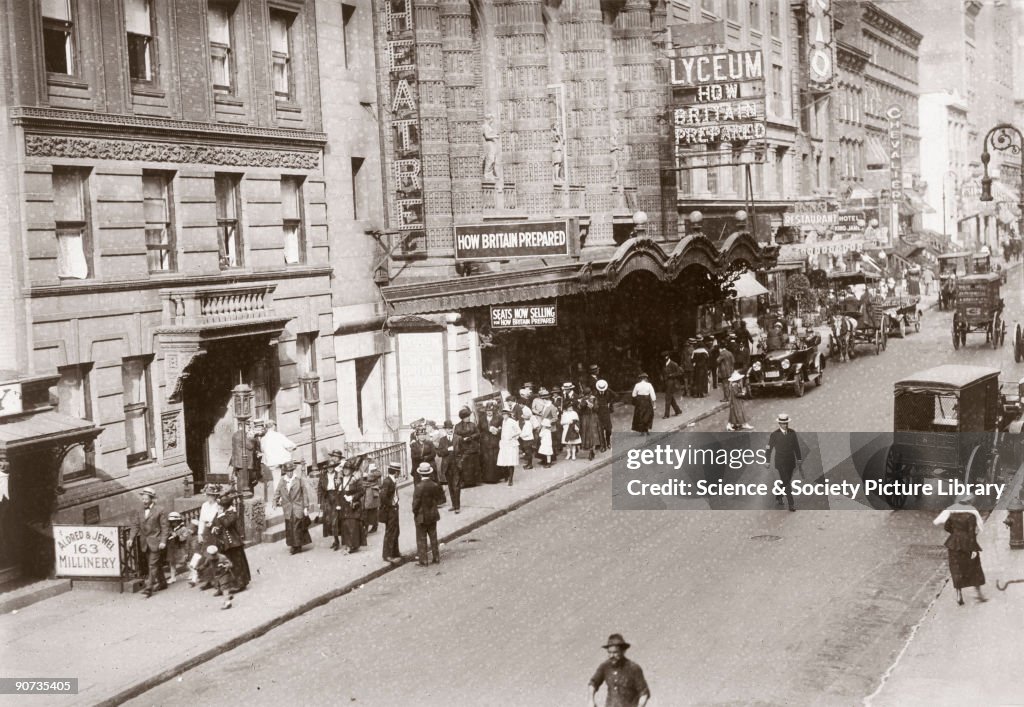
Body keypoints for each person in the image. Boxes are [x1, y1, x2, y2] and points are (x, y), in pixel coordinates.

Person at [933, 494, 987, 605]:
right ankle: (978, 593)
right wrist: (973, 549)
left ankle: (959, 594)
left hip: (953, 543)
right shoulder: (971, 514)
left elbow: (946, 527)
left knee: (956, 568)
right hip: (967, 544)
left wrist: (956, 534)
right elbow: (972, 533)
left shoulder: (952, 512)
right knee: (974, 568)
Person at [587, 634, 650, 707]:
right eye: (609, 652)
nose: (611, 656)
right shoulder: (605, 666)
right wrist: (591, 700)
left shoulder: (634, 668)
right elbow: (593, 683)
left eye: (615, 652)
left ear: (623, 651)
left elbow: (644, 693)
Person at [130, 487, 168, 598]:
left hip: (156, 542)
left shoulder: (160, 510)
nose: (144, 501)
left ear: (152, 499)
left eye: (146, 499)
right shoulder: (139, 510)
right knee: (156, 564)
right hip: (145, 543)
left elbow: (165, 527)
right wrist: (131, 538)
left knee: (152, 565)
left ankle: (149, 588)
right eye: (142, 499)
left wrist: (163, 541)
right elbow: (135, 525)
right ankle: (162, 583)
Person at [211, 492, 250, 591]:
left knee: (236, 564)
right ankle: (225, 586)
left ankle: (239, 584)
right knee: (225, 564)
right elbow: (215, 522)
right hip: (224, 543)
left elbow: (227, 523)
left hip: (234, 543)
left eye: (221, 505)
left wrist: (221, 516)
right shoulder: (220, 513)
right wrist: (214, 527)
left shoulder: (232, 513)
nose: (219, 507)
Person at [274, 462, 313, 554]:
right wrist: (274, 501)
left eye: (291, 471)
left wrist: (306, 507)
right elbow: (277, 491)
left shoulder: (298, 479)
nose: (290, 473)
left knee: (297, 526)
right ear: (285, 472)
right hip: (287, 508)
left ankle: (297, 546)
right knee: (289, 527)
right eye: (288, 471)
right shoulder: (282, 480)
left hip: (298, 506)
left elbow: (305, 493)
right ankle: (293, 545)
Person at [765, 413, 802, 511]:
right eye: (782, 424)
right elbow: (768, 449)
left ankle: (778, 494)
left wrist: (799, 458)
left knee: (786, 481)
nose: (785, 425)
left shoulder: (792, 433)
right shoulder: (774, 435)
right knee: (786, 482)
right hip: (780, 461)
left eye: (786, 423)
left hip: (790, 461)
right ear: (779, 424)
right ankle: (791, 504)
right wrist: (767, 461)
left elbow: (796, 446)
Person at [412, 463, 443, 566]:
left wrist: (415, 512)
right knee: (433, 537)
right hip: (433, 514)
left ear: (420, 474)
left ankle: (424, 560)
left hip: (422, 515)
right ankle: (436, 557)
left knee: (421, 538)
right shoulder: (435, 485)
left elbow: (416, 503)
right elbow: (440, 499)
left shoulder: (419, 487)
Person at [259, 420, 297, 497]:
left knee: (276, 480)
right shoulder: (279, 435)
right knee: (289, 477)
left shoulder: (263, 439)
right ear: (273, 426)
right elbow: (291, 444)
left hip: (271, 462)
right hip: (283, 461)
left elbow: (262, 450)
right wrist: (292, 448)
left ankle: (277, 497)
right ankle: (290, 495)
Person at [320, 450, 346, 550]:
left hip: (336, 497)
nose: (330, 469)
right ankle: (335, 540)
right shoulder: (323, 476)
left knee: (336, 520)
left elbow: (342, 486)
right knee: (329, 520)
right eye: (328, 467)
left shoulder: (338, 474)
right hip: (327, 499)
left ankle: (339, 541)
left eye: (332, 467)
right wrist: (320, 503)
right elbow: (320, 489)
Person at [339, 459, 366, 554]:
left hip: (353, 506)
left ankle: (351, 546)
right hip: (344, 506)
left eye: (348, 469)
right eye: (344, 469)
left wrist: (352, 497)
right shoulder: (341, 480)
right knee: (345, 526)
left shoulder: (355, 480)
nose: (345, 470)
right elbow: (339, 493)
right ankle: (347, 545)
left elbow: (362, 491)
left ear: (351, 470)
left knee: (352, 526)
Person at [452, 407, 480, 500]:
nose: (468, 418)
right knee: (465, 466)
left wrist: (471, 437)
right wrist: (462, 439)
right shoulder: (457, 426)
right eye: (466, 417)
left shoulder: (472, 425)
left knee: (473, 464)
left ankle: (474, 481)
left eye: (469, 416)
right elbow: (456, 436)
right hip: (463, 448)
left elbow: (478, 433)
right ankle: (465, 482)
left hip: (472, 447)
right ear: (462, 417)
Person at [379, 462, 402, 563]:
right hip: (390, 510)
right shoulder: (387, 482)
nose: (399, 474)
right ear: (396, 472)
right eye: (398, 472)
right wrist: (391, 504)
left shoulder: (392, 481)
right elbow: (383, 497)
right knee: (390, 532)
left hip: (394, 509)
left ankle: (395, 552)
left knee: (396, 531)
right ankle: (387, 554)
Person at [200, 545, 235, 610]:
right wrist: (199, 568)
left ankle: (227, 603)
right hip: (217, 576)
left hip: (224, 574)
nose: (213, 556)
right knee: (221, 587)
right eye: (212, 555)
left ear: (217, 552)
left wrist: (227, 566)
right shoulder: (208, 558)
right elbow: (205, 565)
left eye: (214, 554)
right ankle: (228, 595)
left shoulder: (222, 557)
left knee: (224, 588)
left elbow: (230, 564)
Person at [229, 423, 258, 497]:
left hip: (238, 461)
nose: (249, 428)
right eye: (248, 426)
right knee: (244, 480)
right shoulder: (243, 435)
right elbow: (250, 446)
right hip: (244, 462)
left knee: (240, 479)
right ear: (242, 426)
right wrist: (253, 437)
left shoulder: (235, 434)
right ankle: (243, 496)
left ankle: (240, 495)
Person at [479, 401, 503, 484]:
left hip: (494, 441)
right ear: (485, 411)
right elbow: (479, 429)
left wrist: (497, 431)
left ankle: (495, 478)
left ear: (493, 411)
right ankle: (486, 478)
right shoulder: (482, 418)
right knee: (486, 459)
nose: (489, 412)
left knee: (494, 459)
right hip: (485, 442)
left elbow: (503, 428)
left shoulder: (498, 418)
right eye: (487, 411)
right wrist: (482, 436)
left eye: (490, 410)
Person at [497, 408, 521, 486]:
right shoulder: (503, 422)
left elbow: (519, 431)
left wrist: (512, 436)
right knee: (505, 461)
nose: (504, 416)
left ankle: (510, 479)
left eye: (505, 414)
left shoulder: (512, 422)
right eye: (503, 414)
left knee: (511, 462)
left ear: (508, 414)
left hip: (511, 444)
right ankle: (507, 476)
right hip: (504, 443)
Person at [578, 392, 604, 461]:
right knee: (587, 434)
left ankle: (592, 450)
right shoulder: (583, 399)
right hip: (585, 418)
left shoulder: (594, 398)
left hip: (593, 417)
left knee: (593, 434)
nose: (587, 396)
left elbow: (597, 408)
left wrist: (592, 405)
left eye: (588, 394)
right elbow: (580, 409)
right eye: (586, 394)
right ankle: (590, 450)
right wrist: (584, 402)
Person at [594, 380, 615, 452]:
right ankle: (603, 446)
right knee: (601, 430)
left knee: (608, 429)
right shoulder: (595, 393)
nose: (602, 391)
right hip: (599, 413)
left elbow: (616, 396)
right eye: (600, 390)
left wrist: (610, 403)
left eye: (603, 389)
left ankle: (608, 442)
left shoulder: (608, 392)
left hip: (606, 413)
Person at [362, 462, 382, 536]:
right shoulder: (356, 462)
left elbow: (379, 473)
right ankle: (368, 526)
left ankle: (368, 528)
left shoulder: (372, 461)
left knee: (368, 509)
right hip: (362, 488)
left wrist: (368, 475)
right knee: (364, 509)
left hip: (370, 488)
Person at [661, 352, 682, 418]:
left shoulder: (673, 364)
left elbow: (679, 373)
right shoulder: (664, 364)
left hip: (671, 382)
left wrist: (671, 375)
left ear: (667, 357)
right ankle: (678, 410)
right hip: (667, 382)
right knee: (670, 398)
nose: (664, 359)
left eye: (665, 357)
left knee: (667, 398)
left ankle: (666, 415)